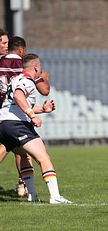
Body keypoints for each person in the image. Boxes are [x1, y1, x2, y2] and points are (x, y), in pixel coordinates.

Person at [0, 53, 71, 204]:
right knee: (44, 158)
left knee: (25, 156)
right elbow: (19, 96)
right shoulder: (27, 81)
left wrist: (43, 109)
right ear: (36, 67)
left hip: (4, 125)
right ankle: (56, 198)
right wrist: (32, 115)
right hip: (17, 125)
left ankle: (32, 195)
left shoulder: (16, 79)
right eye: (40, 66)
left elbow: (18, 104)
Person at [0, 36, 51, 197]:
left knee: (18, 150)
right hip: (12, 114)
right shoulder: (23, 67)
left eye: (6, 43)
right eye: (3, 43)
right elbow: (45, 91)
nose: (5, 46)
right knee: (20, 150)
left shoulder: (2, 62)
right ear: (22, 50)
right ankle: (24, 185)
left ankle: (24, 185)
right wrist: (43, 78)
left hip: (5, 113)